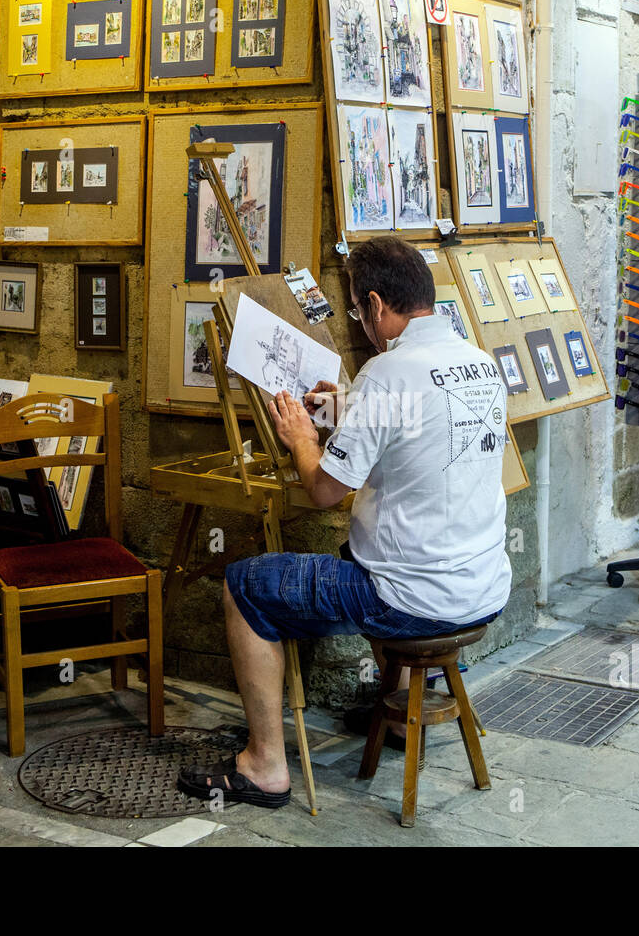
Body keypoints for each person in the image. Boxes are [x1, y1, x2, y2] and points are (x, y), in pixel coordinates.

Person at [178, 236, 511, 809]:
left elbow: (327, 489)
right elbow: (412, 431)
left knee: (244, 587)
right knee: (367, 553)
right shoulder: (479, 363)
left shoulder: (389, 372)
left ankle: (265, 766)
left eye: (358, 310)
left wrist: (305, 439)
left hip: (410, 599)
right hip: (482, 587)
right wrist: (344, 404)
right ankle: (406, 715)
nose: (361, 322)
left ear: (377, 304)